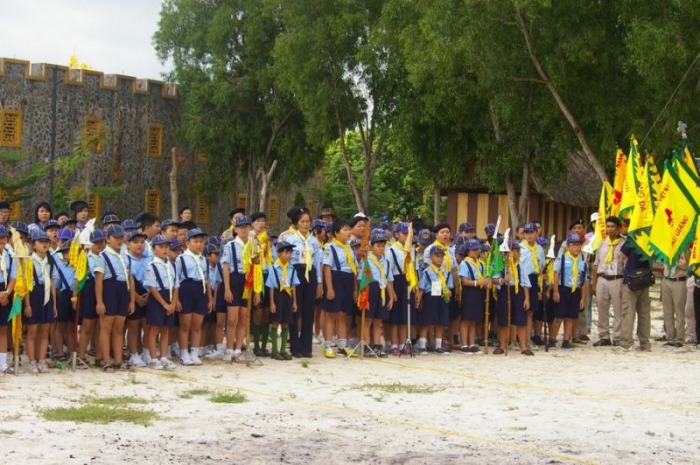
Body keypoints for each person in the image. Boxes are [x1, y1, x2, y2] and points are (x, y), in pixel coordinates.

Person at [94, 224, 135, 372]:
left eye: (121, 237)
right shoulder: (103, 256)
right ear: (108, 239)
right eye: (116, 237)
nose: (119, 240)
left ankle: (118, 360)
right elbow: (99, 280)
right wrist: (99, 301)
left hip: (123, 290)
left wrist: (131, 300)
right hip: (109, 290)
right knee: (106, 327)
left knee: (119, 327)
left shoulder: (125, 256)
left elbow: (130, 279)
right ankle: (106, 360)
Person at [286, 208, 323, 358]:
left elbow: (317, 262)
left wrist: (319, 282)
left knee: (309, 310)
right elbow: (286, 261)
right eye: (302, 221)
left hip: (311, 273)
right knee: (295, 310)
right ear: (296, 223)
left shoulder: (314, 241)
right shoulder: (291, 239)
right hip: (296, 272)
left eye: (308, 221)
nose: (306, 224)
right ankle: (295, 346)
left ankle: (306, 347)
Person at [175, 228, 213, 365]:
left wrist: (209, 298)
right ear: (187, 243)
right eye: (195, 241)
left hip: (200, 290)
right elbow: (176, 280)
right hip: (186, 290)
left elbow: (207, 280)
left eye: (201, 242)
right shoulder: (182, 259)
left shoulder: (203, 259)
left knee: (197, 325)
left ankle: (194, 352)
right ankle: (184, 353)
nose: (199, 244)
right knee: (185, 325)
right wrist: (176, 298)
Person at [24, 230, 58, 374]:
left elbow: (52, 283)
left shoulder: (50, 261)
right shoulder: (29, 261)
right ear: (34, 245)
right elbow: (26, 284)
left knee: (45, 331)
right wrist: (27, 304)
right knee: (32, 331)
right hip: (34, 295)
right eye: (41, 242)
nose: (44, 244)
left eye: (46, 242)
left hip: (47, 296)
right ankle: (32, 361)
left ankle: (41, 359)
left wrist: (54, 304)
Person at [322, 219, 358, 358]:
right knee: (331, 314)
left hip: (348, 280)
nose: (348, 232)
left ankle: (342, 346)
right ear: (336, 233)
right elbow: (327, 269)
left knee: (344, 314)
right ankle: (328, 345)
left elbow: (353, 269)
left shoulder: (349, 248)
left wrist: (355, 289)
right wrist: (330, 288)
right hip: (336, 279)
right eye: (345, 230)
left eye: (349, 229)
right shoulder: (329, 247)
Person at [144, 234, 179, 370]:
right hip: (157, 298)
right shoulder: (152, 266)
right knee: (154, 330)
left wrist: (173, 302)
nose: (164, 249)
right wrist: (164, 304)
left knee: (166, 329)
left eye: (166, 246)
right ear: (153, 249)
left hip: (170, 296)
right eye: (161, 247)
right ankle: (153, 358)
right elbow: (152, 287)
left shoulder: (171, 265)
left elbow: (176, 285)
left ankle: (164, 356)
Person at [591, 217, 626, 347]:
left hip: (617, 278)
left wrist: (624, 284)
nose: (610, 229)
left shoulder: (624, 243)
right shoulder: (602, 243)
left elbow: (626, 265)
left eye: (613, 226)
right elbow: (596, 264)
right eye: (608, 226)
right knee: (602, 308)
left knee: (618, 309)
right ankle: (604, 336)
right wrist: (594, 283)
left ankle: (617, 337)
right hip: (603, 278)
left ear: (618, 228)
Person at [222, 216, 252, 361]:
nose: (244, 229)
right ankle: (229, 348)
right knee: (232, 319)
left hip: (248, 281)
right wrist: (227, 288)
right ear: (235, 229)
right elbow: (226, 267)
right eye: (241, 227)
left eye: (247, 226)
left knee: (243, 318)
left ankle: (238, 348)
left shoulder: (253, 245)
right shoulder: (231, 246)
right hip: (235, 279)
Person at [495, 242, 533, 355]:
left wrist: (526, 299)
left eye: (518, 251)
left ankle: (523, 346)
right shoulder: (501, 265)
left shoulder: (520, 266)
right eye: (515, 251)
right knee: (503, 319)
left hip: (518, 292)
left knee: (521, 320)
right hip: (505, 290)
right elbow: (493, 279)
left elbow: (525, 283)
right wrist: (502, 280)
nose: (518, 254)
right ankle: (502, 345)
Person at [415, 246, 453, 355]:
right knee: (427, 322)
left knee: (440, 322)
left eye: (441, 256)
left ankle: (438, 346)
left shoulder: (446, 272)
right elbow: (422, 287)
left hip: (442, 297)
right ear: (431, 257)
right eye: (437, 256)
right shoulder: (427, 272)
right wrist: (419, 300)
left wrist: (449, 293)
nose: (440, 258)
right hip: (430, 297)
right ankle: (422, 346)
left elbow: (449, 286)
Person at [363, 230, 395, 357]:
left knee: (378, 321)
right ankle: (366, 346)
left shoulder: (385, 262)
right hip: (371, 289)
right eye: (378, 246)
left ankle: (377, 346)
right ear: (371, 246)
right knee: (368, 320)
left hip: (382, 291)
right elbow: (363, 280)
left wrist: (391, 296)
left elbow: (389, 280)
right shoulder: (367, 261)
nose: (381, 249)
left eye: (383, 246)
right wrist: (365, 298)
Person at [552, 232, 587, 349]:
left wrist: (583, 298)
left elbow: (583, 281)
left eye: (578, 245)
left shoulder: (582, 261)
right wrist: (556, 291)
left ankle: (566, 341)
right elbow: (556, 274)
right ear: (568, 247)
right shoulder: (562, 258)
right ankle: (552, 339)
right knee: (559, 316)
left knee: (571, 317)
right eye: (573, 245)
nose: (576, 247)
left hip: (575, 290)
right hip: (563, 289)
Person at [266, 241, 300, 360]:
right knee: (276, 322)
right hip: (277, 296)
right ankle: (274, 350)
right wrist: (272, 303)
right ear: (279, 253)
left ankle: (283, 350)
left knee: (286, 323)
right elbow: (270, 286)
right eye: (286, 252)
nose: (288, 255)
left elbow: (294, 286)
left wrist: (294, 302)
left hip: (288, 296)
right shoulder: (273, 268)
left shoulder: (292, 268)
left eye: (290, 252)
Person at [77, 229, 106, 366]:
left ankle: (99, 356)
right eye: (95, 242)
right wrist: (75, 296)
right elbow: (78, 279)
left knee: (101, 325)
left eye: (101, 241)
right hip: (88, 290)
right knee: (87, 325)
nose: (99, 245)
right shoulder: (84, 257)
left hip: (104, 289)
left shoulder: (106, 257)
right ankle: (81, 355)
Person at [385, 222, 414, 356]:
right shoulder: (391, 250)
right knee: (395, 316)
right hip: (396, 280)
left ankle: (403, 343)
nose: (406, 236)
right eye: (404, 234)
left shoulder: (410, 250)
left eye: (408, 234)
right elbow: (388, 271)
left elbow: (414, 269)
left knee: (404, 315)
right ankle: (394, 343)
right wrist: (391, 291)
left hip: (407, 280)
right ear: (397, 234)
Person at [250, 212, 274, 357]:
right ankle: (256, 345)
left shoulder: (268, 240)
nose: (261, 223)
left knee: (267, 312)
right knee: (257, 311)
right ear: (252, 224)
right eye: (258, 221)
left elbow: (274, 257)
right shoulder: (250, 239)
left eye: (263, 221)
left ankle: (265, 346)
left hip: (268, 275)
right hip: (255, 276)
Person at [458, 239, 489, 353]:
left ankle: (472, 343)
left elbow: (485, 277)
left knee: (474, 319)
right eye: (473, 250)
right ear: (468, 251)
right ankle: (464, 344)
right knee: (466, 319)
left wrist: (487, 283)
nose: (476, 252)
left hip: (479, 293)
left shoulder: (481, 264)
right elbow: (464, 281)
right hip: (469, 292)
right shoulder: (465, 263)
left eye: (477, 249)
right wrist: (479, 283)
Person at [125, 230, 150, 367]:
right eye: (135, 242)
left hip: (147, 293)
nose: (139, 245)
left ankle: (146, 352)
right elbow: (127, 282)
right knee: (133, 326)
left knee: (147, 325)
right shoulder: (126, 259)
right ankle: (133, 354)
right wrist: (135, 297)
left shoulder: (148, 260)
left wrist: (150, 293)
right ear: (128, 244)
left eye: (142, 242)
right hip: (133, 294)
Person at [51, 240, 77, 362]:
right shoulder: (60, 266)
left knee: (72, 326)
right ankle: (59, 351)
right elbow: (57, 285)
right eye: (67, 252)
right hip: (64, 294)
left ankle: (72, 351)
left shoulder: (79, 267)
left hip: (76, 294)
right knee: (60, 325)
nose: (69, 254)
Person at [520, 223, 545, 347]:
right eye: (527, 233)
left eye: (532, 233)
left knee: (530, 311)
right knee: (521, 309)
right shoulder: (520, 248)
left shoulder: (539, 249)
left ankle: (528, 338)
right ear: (523, 234)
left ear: (536, 234)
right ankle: (517, 339)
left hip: (534, 279)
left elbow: (541, 267)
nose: (529, 236)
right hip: (522, 279)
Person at [661, 249, 688, 348]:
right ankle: (670, 338)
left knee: (679, 311)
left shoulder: (684, 248)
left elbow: (687, 266)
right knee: (667, 311)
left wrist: (676, 261)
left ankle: (680, 338)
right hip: (667, 279)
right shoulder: (665, 247)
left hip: (679, 281)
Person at [0, 225, 17, 373]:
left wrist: (7, 292)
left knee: (3, 329)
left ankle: (2, 363)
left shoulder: (10, 255)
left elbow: (13, 276)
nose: (1, 240)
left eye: (3, 238)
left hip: (5, 290)